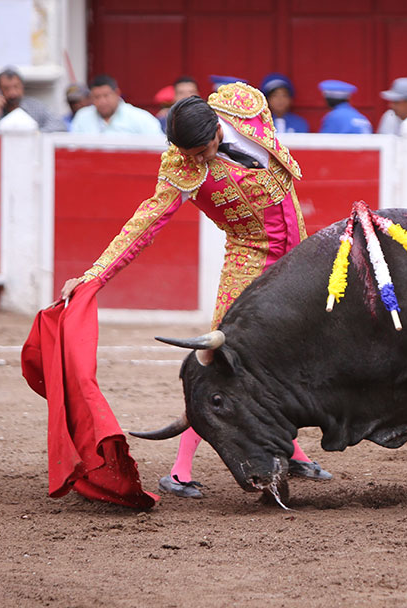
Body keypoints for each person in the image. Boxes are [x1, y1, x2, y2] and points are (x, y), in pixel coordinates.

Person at [59, 82, 332, 497]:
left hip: (296, 255)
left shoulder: (246, 105)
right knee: (220, 363)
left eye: (203, 151)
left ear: (218, 129)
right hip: (249, 258)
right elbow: (144, 224)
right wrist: (94, 276)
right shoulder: (181, 167)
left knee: (290, 352)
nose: (198, 160)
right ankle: (180, 471)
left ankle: (291, 451)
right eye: (189, 154)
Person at [0, 67, 67, 134]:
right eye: (6, 88)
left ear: (22, 86)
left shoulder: (36, 106)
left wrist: (37, 134)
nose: (12, 93)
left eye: (16, 87)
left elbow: (59, 126)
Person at [70, 74, 164, 135]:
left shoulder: (141, 118)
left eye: (106, 96)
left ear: (117, 93)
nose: (102, 101)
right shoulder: (82, 117)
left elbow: (157, 147)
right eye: (97, 97)